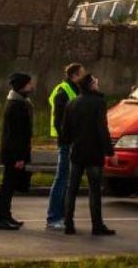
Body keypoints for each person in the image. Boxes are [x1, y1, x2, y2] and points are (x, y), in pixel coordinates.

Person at [61, 73, 115, 236]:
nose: (98, 83)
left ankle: (68, 224)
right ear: (91, 85)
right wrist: (110, 151)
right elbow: (102, 129)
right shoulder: (99, 103)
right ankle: (97, 225)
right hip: (93, 153)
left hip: (77, 152)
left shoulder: (72, 103)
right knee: (94, 190)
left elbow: (65, 131)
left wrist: (71, 143)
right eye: (96, 81)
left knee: (72, 189)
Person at [46, 62, 85, 230]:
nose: (84, 77)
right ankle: (54, 217)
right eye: (82, 74)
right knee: (61, 179)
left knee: (65, 179)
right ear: (75, 75)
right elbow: (59, 119)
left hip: (71, 141)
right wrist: (66, 140)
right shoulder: (63, 91)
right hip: (66, 142)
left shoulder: (74, 90)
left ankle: (60, 216)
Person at [0, 72, 34, 231]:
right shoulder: (16, 106)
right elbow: (16, 135)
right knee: (7, 186)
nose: (32, 86)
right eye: (29, 84)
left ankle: (5, 215)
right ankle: (0, 218)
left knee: (9, 186)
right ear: (22, 86)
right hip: (13, 154)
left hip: (15, 153)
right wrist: (19, 157)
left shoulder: (20, 103)